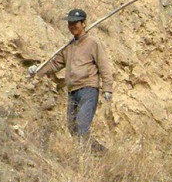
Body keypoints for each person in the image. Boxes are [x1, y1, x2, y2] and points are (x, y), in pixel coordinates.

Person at [28, 9, 113, 150]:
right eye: (70, 23)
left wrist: (107, 88)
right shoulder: (68, 47)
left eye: (75, 23)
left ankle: (87, 158)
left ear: (84, 23)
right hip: (72, 91)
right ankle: (99, 153)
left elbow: (104, 66)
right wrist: (37, 71)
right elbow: (55, 64)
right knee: (72, 127)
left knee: (81, 125)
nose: (72, 26)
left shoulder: (93, 43)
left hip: (88, 89)